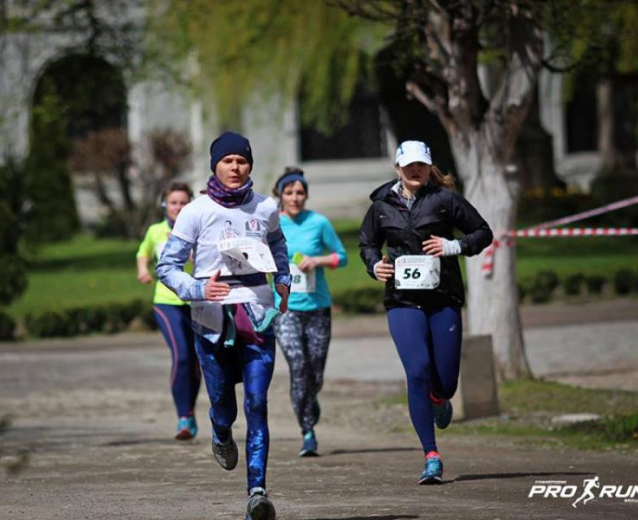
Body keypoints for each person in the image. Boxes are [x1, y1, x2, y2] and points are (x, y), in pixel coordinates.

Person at [156, 132, 290, 520]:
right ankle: (219, 432)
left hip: (257, 318)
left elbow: (279, 248)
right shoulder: (196, 211)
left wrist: (283, 280)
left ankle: (257, 493)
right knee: (223, 407)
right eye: (228, 160)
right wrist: (198, 287)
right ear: (215, 164)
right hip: (211, 322)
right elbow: (166, 267)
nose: (235, 167)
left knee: (257, 404)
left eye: (242, 161)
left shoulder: (266, 207)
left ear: (250, 165)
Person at [358, 140, 493, 485]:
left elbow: (483, 232)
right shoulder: (381, 205)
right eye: (409, 165)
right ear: (398, 167)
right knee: (417, 371)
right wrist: (375, 266)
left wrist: (455, 246)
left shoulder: (445, 200)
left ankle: (438, 397)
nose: (415, 170)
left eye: (421, 165)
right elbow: (368, 243)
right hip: (402, 301)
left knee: (445, 382)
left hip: (443, 297)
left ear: (430, 167)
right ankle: (431, 455)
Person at [271, 167, 348, 457]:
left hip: (318, 308)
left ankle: (311, 397)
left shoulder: (319, 223)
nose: (295, 197)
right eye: (289, 192)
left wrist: (318, 260)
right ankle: (307, 432)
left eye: (300, 192)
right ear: (280, 194)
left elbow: (342, 257)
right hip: (285, 308)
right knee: (298, 367)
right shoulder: (272, 223)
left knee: (314, 371)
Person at [136, 182, 200, 440]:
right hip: (166, 302)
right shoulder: (156, 231)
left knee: (197, 361)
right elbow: (143, 252)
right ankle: (183, 417)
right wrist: (142, 270)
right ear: (165, 205)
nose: (178, 207)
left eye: (183, 202)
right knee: (182, 356)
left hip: (196, 302)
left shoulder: (198, 227)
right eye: (173, 202)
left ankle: (190, 412)